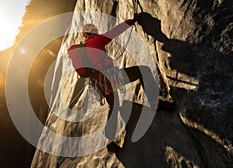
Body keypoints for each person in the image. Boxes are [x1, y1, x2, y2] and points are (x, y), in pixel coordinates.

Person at [68, 13, 175, 153]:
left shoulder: (79, 52)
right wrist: (132, 20)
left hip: (98, 84)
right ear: (93, 33)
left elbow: (83, 74)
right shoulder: (96, 41)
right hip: (110, 77)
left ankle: (109, 141)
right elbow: (115, 31)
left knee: (114, 106)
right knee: (142, 71)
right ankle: (155, 103)